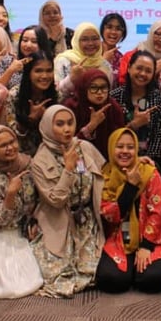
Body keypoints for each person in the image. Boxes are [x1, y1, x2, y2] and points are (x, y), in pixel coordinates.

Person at [29, 105, 105, 297]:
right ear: (48, 127)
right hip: (59, 221)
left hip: (87, 220)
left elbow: (107, 171)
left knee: (98, 271)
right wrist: (68, 169)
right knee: (59, 276)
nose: (67, 129)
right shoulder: (40, 160)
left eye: (70, 123)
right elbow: (56, 200)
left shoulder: (84, 147)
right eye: (60, 124)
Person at [97, 127, 161, 293]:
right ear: (111, 148)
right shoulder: (105, 175)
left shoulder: (149, 172)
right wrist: (130, 187)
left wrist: (146, 246)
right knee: (111, 281)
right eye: (119, 146)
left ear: (136, 149)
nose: (125, 151)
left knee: (152, 280)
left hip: (149, 237)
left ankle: (136, 267)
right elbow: (110, 215)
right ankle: (130, 268)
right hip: (118, 238)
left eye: (130, 147)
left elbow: (157, 212)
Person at [0, 125, 44, 298]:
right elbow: (1, 219)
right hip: (4, 234)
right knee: (14, 285)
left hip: (29, 229)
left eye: (12, 142)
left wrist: (33, 220)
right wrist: (11, 194)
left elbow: (38, 200)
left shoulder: (27, 164)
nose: (10, 148)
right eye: (3, 145)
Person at [110, 50, 161, 169]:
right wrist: (134, 125)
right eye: (139, 68)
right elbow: (110, 136)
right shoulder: (114, 97)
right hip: (117, 160)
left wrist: (146, 163)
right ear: (129, 68)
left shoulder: (160, 100)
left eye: (148, 71)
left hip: (149, 163)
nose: (143, 74)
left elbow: (159, 138)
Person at [65, 67, 126, 162]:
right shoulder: (71, 108)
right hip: (76, 162)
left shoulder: (113, 107)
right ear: (84, 88)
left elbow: (121, 140)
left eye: (104, 87)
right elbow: (66, 146)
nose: (99, 92)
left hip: (109, 162)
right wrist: (91, 126)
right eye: (93, 88)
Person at [9, 50, 57, 157]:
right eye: (38, 71)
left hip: (52, 153)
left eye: (49, 70)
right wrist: (29, 120)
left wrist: (48, 118)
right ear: (28, 72)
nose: (44, 76)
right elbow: (11, 136)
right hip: (21, 155)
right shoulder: (14, 96)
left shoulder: (58, 94)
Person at [55, 22, 113, 92]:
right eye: (84, 39)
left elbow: (108, 93)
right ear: (76, 41)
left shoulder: (105, 65)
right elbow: (57, 94)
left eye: (95, 39)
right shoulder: (64, 60)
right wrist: (71, 78)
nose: (90, 43)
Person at [120, 20, 161, 86]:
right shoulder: (131, 57)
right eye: (158, 34)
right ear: (151, 33)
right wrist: (153, 71)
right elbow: (123, 84)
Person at [99, 13, 128, 80]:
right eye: (109, 27)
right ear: (102, 29)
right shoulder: (93, 51)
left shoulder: (121, 58)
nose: (113, 32)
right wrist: (104, 61)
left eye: (118, 29)